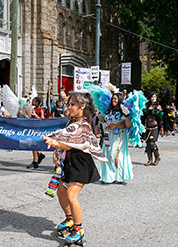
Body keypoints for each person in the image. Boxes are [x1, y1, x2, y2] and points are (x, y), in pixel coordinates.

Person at [43, 92, 107, 244]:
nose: (69, 107)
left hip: (81, 164)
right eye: (69, 104)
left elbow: (76, 144)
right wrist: (57, 150)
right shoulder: (71, 122)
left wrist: (57, 144)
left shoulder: (84, 125)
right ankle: (70, 219)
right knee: (60, 192)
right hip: (69, 162)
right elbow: (64, 138)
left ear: (82, 106)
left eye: (72, 104)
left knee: (71, 195)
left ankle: (78, 229)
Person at [96, 93, 133, 183]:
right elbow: (104, 120)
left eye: (115, 99)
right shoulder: (109, 111)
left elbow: (128, 124)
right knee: (107, 153)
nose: (113, 100)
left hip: (119, 136)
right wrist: (98, 114)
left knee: (116, 155)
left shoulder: (123, 110)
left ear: (119, 100)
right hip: (107, 135)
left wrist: (126, 116)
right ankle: (108, 177)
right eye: (113, 99)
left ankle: (120, 176)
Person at [142, 93, 163, 166]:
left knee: (152, 143)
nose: (153, 98)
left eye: (154, 97)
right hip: (147, 127)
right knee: (147, 144)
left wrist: (162, 128)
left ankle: (157, 157)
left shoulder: (158, 107)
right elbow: (143, 116)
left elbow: (161, 118)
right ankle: (150, 160)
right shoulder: (147, 106)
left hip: (155, 127)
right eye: (152, 97)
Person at [27, 97, 45, 169]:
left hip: (38, 129)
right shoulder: (33, 109)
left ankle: (35, 161)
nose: (32, 102)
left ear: (37, 102)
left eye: (34, 101)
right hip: (33, 128)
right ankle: (39, 155)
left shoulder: (41, 110)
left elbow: (42, 120)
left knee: (34, 144)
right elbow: (31, 118)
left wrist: (36, 115)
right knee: (32, 144)